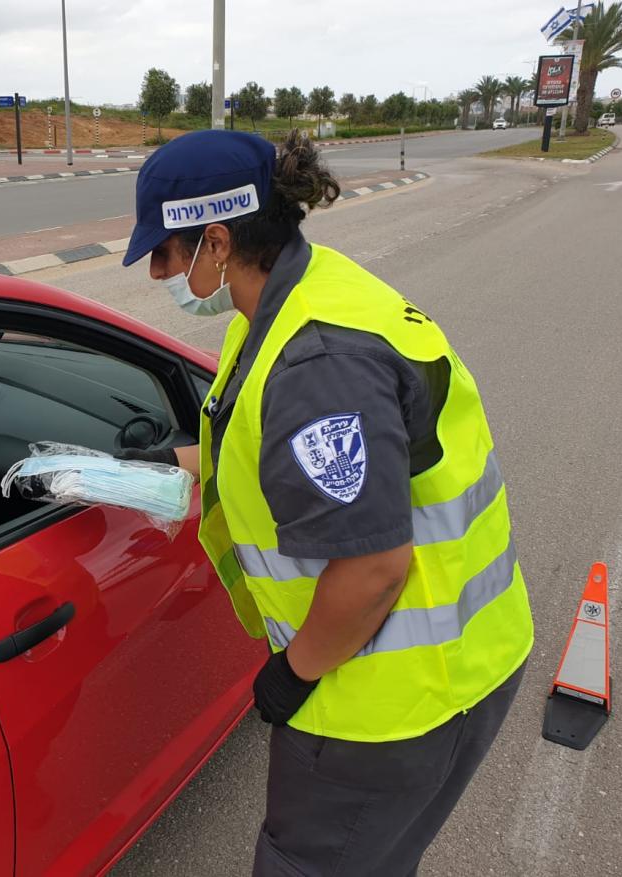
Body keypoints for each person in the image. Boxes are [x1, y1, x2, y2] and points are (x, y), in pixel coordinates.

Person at [117, 130, 534, 876]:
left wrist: (295, 673)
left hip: (390, 699)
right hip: (468, 654)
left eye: (167, 253)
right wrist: (142, 467)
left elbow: (373, 567)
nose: (158, 272)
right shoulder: (303, 295)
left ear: (217, 240)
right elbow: (255, 450)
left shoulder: (317, 361)